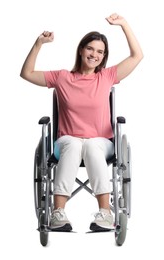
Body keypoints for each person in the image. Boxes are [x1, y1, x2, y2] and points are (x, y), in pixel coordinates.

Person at [20, 13, 143, 232]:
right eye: (90, 49)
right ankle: (58, 213)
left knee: (92, 144)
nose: (94, 54)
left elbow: (137, 56)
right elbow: (26, 73)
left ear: (103, 56)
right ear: (81, 49)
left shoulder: (106, 76)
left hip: (101, 142)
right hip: (67, 142)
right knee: (76, 143)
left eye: (100, 51)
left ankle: (105, 213)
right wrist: (38, 43)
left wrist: (124, 24)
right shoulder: (62, 77)